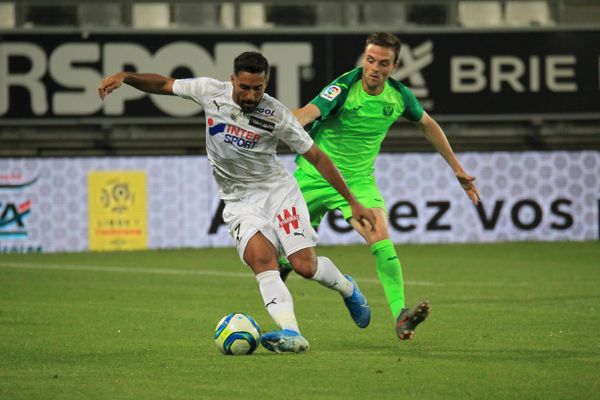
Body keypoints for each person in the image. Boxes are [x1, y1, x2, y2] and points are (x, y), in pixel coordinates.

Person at [98, 51, 376, 354]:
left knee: (304, 267)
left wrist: (353, 202)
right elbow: (164, 84)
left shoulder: (277, 115)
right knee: (262, 261)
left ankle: (348, 288)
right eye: (244, 87)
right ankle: (292, 333)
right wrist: (126, 77)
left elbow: (318, 157)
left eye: (258, 88)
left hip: (278, 193)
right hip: (238, 200)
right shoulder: (208, 91)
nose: (251, 94)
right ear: (233, 80)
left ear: (266, 82)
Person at [281, 32, 481, 341]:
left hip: (358, 183)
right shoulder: (345, 86)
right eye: (370, 60)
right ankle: (341, 291)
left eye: (382, 63)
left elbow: (428, 125)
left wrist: (457, 168)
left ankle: (401, 316)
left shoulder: (398, 96)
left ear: (394, 66)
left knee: (380, 236)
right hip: (313, 176)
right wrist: (268, 124)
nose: (373, 68)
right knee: (285, 259)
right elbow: (307, 114)